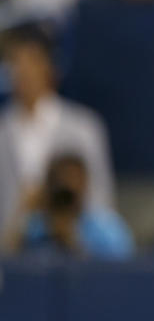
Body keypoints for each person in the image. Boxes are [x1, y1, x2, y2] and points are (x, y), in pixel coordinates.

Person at [0, 25, 117, 240]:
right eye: (15, 62)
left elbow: (101, 200)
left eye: (32, 60)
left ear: (49, 66)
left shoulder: (84, 128)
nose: (23, 71)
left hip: (75, 252)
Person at [3, 153, 133, 259]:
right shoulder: (35, 227)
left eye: (75, 179)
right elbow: (9, 261)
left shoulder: (107, 228)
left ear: (85, 183)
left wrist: (72, 242)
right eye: (62, 181)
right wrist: (22, 210)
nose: (70, 187)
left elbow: (123, 272)